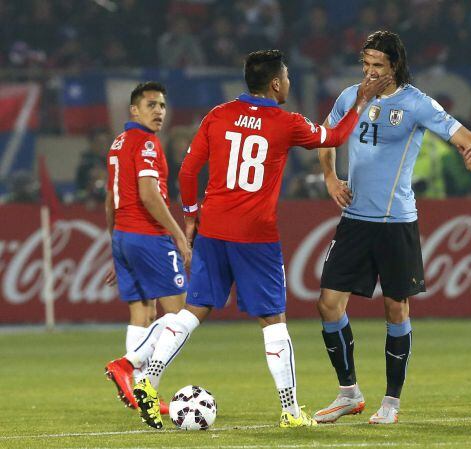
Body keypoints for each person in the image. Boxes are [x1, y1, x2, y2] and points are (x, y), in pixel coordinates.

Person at [130, 49, 390, 430]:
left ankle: (149, 381)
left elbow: (188, 172)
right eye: (286, 77)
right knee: (273, 320)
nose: (289, 83)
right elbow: (334, 136)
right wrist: (362, 99)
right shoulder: (286, 122)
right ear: (274, 83)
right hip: (255, 234)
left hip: (213, 228)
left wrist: (189, 218)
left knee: (193, 310)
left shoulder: (217, 115)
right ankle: (289, 409)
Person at [313, 30, 471, 425]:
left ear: (395, 66)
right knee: (328, 304)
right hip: (354, 220)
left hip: (395, 222)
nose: (369, 73)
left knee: (395, 309)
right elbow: (326, 137)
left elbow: (470, 141)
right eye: (365, 65)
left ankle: (391, 402)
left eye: (377, 66)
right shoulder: (350, 97)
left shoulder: (417, 104)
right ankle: (348, 392)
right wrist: (331, 178)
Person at [103, 82, 191, 417]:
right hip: (149, 236)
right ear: (134, 111)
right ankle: (129, 366)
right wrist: (179, 236)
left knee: (144, 314)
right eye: (151, 104)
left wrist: (116, 244)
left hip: (125, 236)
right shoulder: (147, 143)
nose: (159, 111)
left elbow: (111, 198)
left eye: (162, 106)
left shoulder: (118, 143)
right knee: (182, 314)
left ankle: (140, 394)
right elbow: (149, 194)